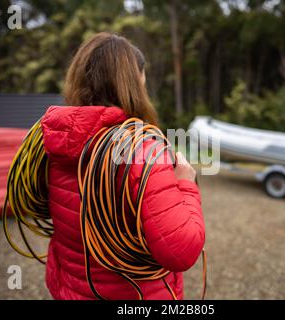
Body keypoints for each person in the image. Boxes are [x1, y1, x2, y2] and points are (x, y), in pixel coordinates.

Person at [40, 32, 205, 299]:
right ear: (133, 81)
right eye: (143, 77)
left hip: (71, 290)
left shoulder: (53, 141)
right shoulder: (143, 151)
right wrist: (186, 182)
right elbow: (181, 252)